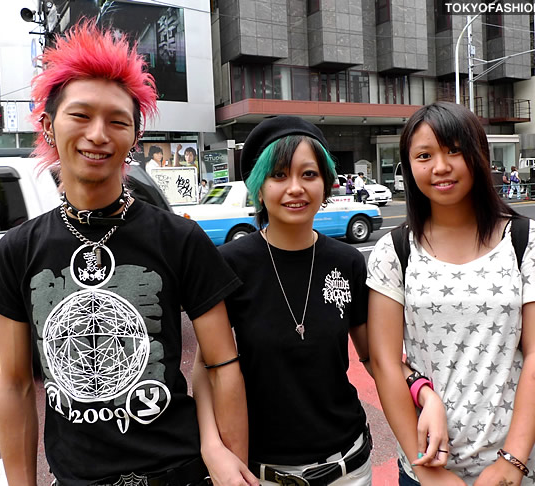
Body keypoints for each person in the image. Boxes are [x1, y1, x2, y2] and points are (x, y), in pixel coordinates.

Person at [0, 21, 250, 485]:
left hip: (178, 472)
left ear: (135, 137)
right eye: (80, 115)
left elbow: (222, 365)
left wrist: (231, 461)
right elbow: (16, 383)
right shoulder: (19, 249)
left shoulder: (178, 239)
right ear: (47, 125)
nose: (98, 134)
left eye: (117, 120)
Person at [191, 116, 449, 486]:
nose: (295, 188)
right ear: (258, 188)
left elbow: (375, 357)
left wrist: (422, 392)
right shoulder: (232, 264)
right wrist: (212, 446)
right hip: (260, 471)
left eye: (308, 174)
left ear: (326, 184)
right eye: (278, 175)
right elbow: (206, 366)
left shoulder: (346, 262)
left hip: (347, 467)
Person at [367, 102, 535, 485]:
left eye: (455, 150)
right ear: (409, 167)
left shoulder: (527, 240)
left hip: (533, 463)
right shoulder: (394, 251)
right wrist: (423, 470)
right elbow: (383, 363)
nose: (440, 167)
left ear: (479, 156)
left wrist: (512, 461)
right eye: (424, 156)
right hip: (430, 465)